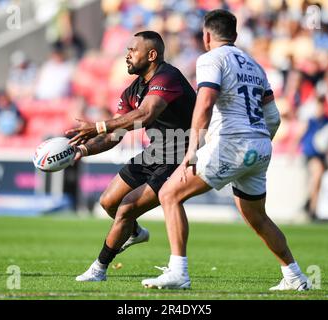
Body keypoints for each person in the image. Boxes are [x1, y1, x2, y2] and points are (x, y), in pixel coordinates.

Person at [141, 10, 312, 291]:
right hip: (260, 144)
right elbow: (274, 118)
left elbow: (205, 103)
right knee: (256, 216)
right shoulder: (255, 65)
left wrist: (193, 149)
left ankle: (178, 272)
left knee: (169, 193)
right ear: (235, 35)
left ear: (207, 35)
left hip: (232, 142)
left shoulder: (210, 59)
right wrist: (257, 146)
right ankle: (294, 276)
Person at [65, 31, 196, 282]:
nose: (127, 55)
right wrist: (82, 150)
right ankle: (135, 232)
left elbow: (145, 114)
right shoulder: (132, 90)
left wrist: (100, 125)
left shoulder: (168, 76)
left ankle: (98, 269)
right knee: (108, 202)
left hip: (180, 156)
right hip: (155, 153)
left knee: (126, 208)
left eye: (132, 50)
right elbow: (116, 135)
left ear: (152, 55)